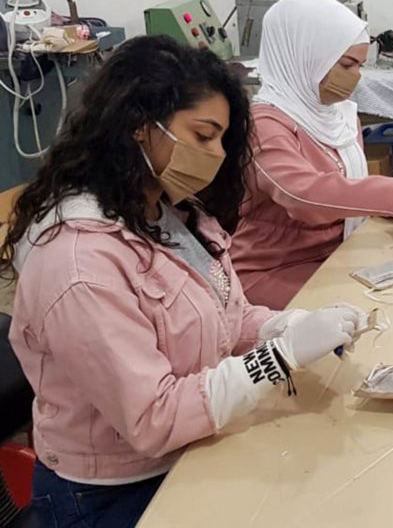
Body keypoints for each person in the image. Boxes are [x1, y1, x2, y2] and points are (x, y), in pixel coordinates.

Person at [0, 36, 366, 527]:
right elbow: (154, 418)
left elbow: (220, 316)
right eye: (202, 135)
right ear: (138, 127)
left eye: (221, 140)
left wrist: (286, 325)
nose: (215, 154)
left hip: (187, 451)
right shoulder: (79, 262)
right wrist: (277, 358)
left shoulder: (167, 213)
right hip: (114, 492)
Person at [230, 0, 393, 310]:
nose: (355, 76)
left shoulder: (337, 114)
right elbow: (304, 195)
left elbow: (345, 188)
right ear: (306, 56)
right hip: (276, 270)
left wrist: (389, 207)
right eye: (347, 64)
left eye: (359, 64)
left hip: (336, 253)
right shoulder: (266, 124)